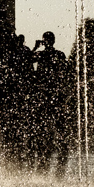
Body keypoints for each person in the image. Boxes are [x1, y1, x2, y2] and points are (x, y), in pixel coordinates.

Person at [31, 31, 71, 174]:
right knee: (56, 125)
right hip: (54, 95)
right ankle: (59, 154)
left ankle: (47, 154)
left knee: (45, 126)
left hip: (45, 95)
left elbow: (26, 59)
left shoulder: (42, 55)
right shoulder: (59, 54)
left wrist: (35, 48)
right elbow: (67, 71)